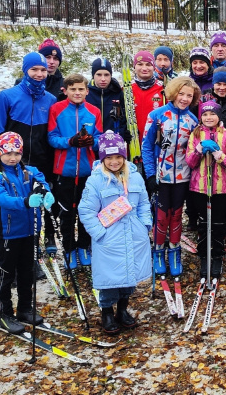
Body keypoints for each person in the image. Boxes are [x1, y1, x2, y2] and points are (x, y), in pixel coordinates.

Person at [77, 130, 151, 334]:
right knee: (109, 278)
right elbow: (86, 210)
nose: (114, 161)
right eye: (109, 157)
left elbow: (144, 203)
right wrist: (100, 234)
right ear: (103, 158)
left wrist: (145, 226)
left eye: (118, 156)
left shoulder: (135, 178)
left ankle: (123, 309)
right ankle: (107, 312)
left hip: (134, 235)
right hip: (109, 238)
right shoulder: (96, 181)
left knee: (129, 274)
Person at [0, 132, 55, 333]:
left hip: (30, 230)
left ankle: (25, 307)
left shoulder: (29, 171)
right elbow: (2, 199)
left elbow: (41, 184)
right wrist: (25, 202)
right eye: (7, 153)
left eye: (16, 153)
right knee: (7, 273)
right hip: (9, 232)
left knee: (27, 271)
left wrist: (46, 193)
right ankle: (5, 313)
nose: (12, 157)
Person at [0, 52, 59, 255]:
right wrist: (0, 164)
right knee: (14, 202)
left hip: (41, 160)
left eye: (42, 70)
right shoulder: (7, 96)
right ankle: (8, 246)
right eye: (34, 70)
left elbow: (52, 132)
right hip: (13, 161)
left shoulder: (51, 99)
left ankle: (43, 240)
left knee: (42, 199)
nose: (39, 74)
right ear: (25, 70)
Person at [142, 76, 201, 280]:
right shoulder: (157, 115)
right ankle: (158, 251)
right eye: (181, 94)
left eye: (189, 96)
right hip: (161, 174)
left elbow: (193, 149)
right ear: (174, 92)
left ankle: (174, 251)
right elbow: (147, 146)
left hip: (182, 175)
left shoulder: (192, 120)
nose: (184, 99)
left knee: (177, 214)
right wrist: (150, 175)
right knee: (161, 216)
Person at [47, 74, 103, 268]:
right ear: (66, 91)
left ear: (87, 91)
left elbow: (100, 138)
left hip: (88, 170)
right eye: (73, 89)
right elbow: (52, 138)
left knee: (87, 211)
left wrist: (92, 142)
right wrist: (69, 141)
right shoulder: (57, 109)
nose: (77, 93)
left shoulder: (94, 111)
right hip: (65, 170)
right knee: (67, 213)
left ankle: (84, 246)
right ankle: (69, 249)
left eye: (81, 89)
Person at [185, 99, 226, 279]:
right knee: (203, 223)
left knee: (218, 224)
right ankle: (204, 255)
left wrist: (218, 154)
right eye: (205, 114)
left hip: (221, 188)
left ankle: (217, 255)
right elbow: (190, 162)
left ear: (219, 116)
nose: (209, 117)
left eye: (213, 114)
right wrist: (199, 149)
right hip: (199, 187)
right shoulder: (196, 134)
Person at [87, 58, 131, 143]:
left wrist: (122, 133)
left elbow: (124, 117)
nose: (103, 79)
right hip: (92, 141)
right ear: (93, 75)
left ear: (111, 75)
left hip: (113, 141)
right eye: (99, 75)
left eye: (106, 75)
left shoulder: (118, 93)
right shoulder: (87, 93)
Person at [130, 50, 166, 142]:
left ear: (154, 67)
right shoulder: (127, 89)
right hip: (134, 142)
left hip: (155, 139)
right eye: (140, 64)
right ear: (134, 66)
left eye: (148, 65)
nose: (144, 68)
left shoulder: (163, 88)